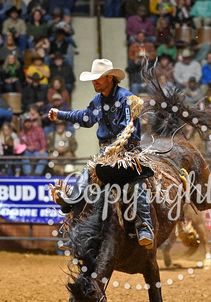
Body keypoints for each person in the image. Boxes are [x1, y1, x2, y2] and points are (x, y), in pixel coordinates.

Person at [48, 58, 154, 249]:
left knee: (135, 182)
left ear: (110, 78)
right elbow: (85, 118)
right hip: (105, 153)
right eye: (93, 78)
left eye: (98, 78)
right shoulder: (98, 101)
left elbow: (127, 131)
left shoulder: (126, 99)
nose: (94, 82)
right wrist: (60, 114)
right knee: (82, 181)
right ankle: (72, 225)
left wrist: (114, 149)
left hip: (127, 152)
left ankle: (145, 225)